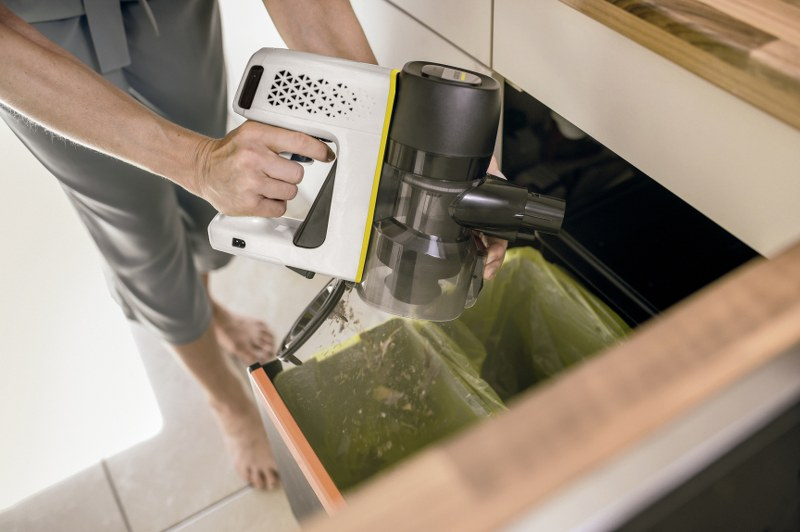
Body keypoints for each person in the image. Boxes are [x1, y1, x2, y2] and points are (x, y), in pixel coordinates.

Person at [0, 0, 508, 490]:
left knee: (208, 202)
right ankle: (227, 401)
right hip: (29, 28)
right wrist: (197, 163)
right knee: (141, 234)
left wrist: (404, 137)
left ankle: (213, 310)